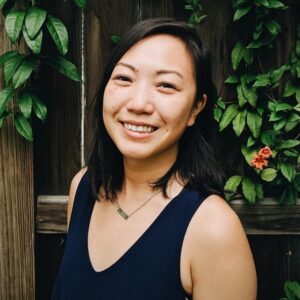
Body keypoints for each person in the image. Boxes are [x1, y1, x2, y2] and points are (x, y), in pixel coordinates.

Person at [51, 18, 257, 300]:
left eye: (166, 85)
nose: (138, 104)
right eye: (124, 78)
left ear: (197, 107)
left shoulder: (213, 229)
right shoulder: (83, 187)